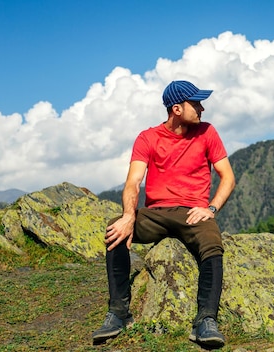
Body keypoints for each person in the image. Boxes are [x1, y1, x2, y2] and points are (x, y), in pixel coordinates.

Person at [92, 80, 236, 349]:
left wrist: (211, 209)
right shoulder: (147, 138)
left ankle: (205, 321)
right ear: (177, 108)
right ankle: (119, 313)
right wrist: (128, 217)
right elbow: (133, 182)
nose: (202, 108)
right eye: (196, 103)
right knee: (115, 229)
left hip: (193, 212)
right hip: (156, 214)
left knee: (212, 243)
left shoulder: (208, 132)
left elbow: (227, 177)